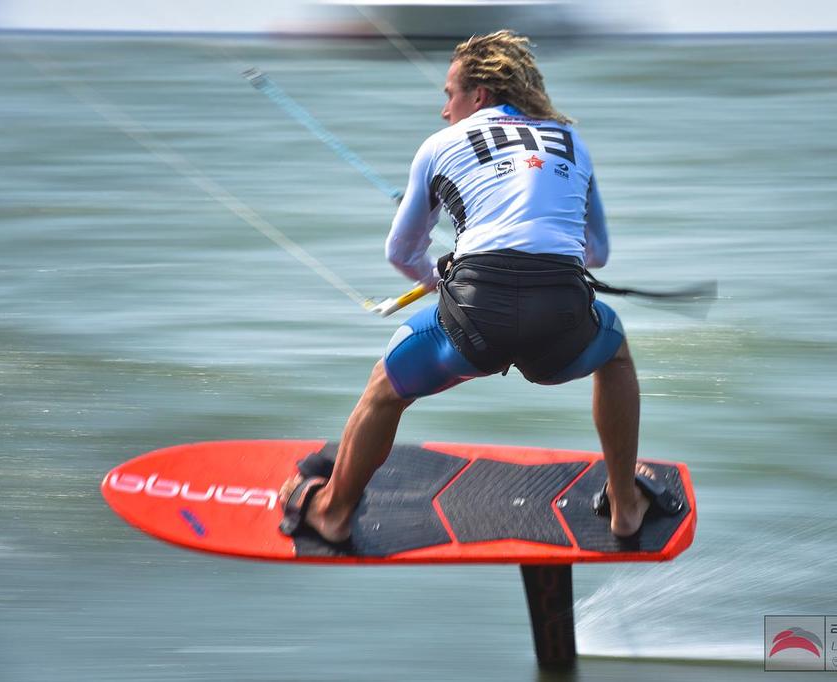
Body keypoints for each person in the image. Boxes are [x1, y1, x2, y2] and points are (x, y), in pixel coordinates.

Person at [279, 30, 675, 548]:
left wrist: (436, 279)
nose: (445, 110)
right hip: (562, 322)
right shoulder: (571, 142)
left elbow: (400, 252)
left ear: (479, 96)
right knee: (616, 356)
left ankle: (332, 510)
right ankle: (625, 507)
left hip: (473, 321)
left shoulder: (439, 145)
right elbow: (596, 253)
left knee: (385, 389)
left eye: (449, 94)